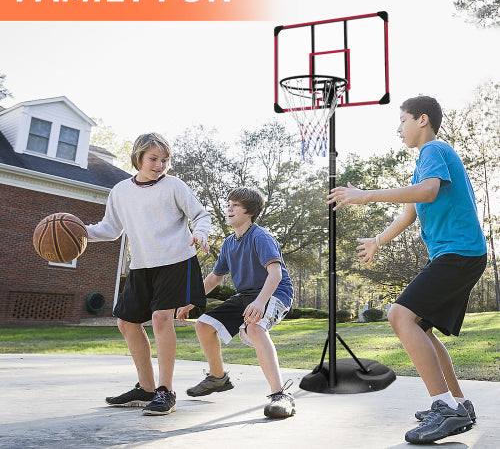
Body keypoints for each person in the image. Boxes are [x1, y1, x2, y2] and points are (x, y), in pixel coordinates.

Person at [327, 96, 487, 444]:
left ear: (423, 120)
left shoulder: (434, 150)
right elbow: (409, 213)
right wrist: (378, 241)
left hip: (459, 252)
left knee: (399, 315)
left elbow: (428, 193)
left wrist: (367, 196)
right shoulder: (425, 162)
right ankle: (458, 403)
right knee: (421, 327)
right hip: (459, 254)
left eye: (403, 120)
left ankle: (444, 407)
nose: (398, 128)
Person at [86, 132, 210, 416]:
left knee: (161, 318)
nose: (159, 164)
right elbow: (109, 229)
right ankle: (146, 389)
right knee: (126, 323)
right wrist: (81, 233)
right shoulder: (120, 191)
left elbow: (201, 215)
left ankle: (166, 391)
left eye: (164, 159)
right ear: (138, 157)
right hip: (142, 264)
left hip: (176, 259)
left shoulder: (174, 186)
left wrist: (200, 233)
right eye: (153, 158)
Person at [176, 187, 295, 419]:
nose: (229, 208)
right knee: (203, 325)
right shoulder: (230, 243)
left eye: (236, 205)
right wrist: (190, 302)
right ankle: (218, 377)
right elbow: (214, 278)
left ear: (249, 211)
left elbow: (276, 274)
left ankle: (280, 394)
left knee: (255, 327)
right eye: (228, 204)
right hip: (247, 295)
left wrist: (260, 303)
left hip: (275, 293)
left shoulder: (261, 237)